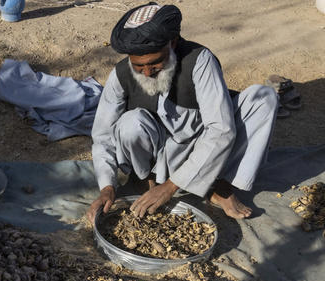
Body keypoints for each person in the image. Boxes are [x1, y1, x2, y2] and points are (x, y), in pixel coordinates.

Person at [85, 3, 278, 224]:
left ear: (173, 43)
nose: (147, 72)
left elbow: (220, 129)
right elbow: (102, 135)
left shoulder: (199, 60)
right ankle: (146, 180)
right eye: (139, 66)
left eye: (155, 62)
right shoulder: (120, 73)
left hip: (203, 147)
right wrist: (107, 187)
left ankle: (220, 186)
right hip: (156, 154)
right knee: (130, 123)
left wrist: (171, 186)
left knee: (264, 97)